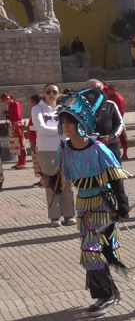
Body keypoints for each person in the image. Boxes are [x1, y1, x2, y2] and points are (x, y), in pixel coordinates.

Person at [40, 88, 132, 316]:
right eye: (63, 122)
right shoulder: (65, 150)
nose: (67, 125)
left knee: (94, 250)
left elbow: (115, 178)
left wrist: (122, 207)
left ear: (80, 122)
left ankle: (107, 295)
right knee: (90, 251)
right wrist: (48, 180)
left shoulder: (98, 148)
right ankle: (107, 294)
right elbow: (61, 180)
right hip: (84, 205)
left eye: (70, 121)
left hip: (103, 204)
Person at [31, 84, 76, 227]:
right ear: (44, 93)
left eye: (54, 92)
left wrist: (63, 132)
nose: (51, 94)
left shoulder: (63, 109)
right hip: (46, 150)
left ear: (58, 94)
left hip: (65, 149)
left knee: (67, 183)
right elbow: (41, 128)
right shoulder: (37, 109)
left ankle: (69, 214)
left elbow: (70, 128)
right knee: (51, 183)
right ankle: (55, 216)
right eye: (48, 92)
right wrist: (61, 130)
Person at [86, 79, 125, 161]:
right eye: (90, 90)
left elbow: (120, 122)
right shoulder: (81, 108)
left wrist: (111, 136)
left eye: (96, 89)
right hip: (89, 147)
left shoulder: (110, 105)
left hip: (110, 145)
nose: (94, 92)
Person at [2, 94, 26, 169]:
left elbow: (17, 116)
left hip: (17, 125)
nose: (5, 102)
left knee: (20, 143)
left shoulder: (15, 104)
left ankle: (22, 162)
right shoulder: (10, 105)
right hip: (13, 125)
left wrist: (8, 114)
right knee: (16, 144)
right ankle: (19, 161)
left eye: (5, 100)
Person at [104, 85, 128, 160]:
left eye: (112, 91)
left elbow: (121, 111)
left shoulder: (119, 99)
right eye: (109, 90)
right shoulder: (108, 97)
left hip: (118, 120)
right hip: (110, 120)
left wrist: (116, 120)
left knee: (122, 137)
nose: (110, 92)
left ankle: (125, 153)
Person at [27, 94, 42, 185]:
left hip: (37, 139)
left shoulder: (37, 110)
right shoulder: (36, 110)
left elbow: (37, 127)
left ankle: (44, 178)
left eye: (30, 101)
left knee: (40, 160)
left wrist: (27, 128)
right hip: (34, 138)